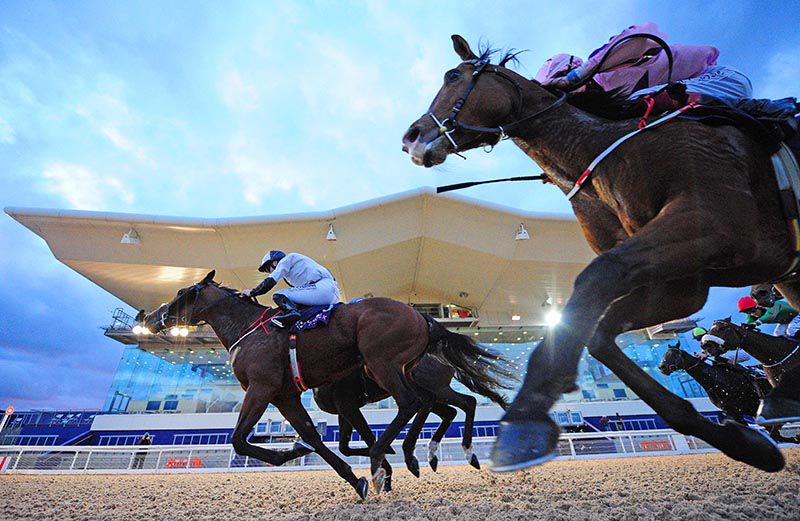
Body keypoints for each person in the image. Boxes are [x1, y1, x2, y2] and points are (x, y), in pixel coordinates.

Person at [536, 22, 753, 112]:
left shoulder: (603, 66)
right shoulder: (602, 102)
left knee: (637, 103)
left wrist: (575, 78)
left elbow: (646, 33)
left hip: (721, 80)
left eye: (559, 88)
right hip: (704, 103)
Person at [241, 250, 340, 328]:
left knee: (278, 295)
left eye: (267, 269)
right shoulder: (293, 273)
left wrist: (252, 292)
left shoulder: (287, 259)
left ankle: (292, 313)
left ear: (275, 262)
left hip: (322, 288)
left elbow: (270, 281)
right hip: (332, 293)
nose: (269, 272)